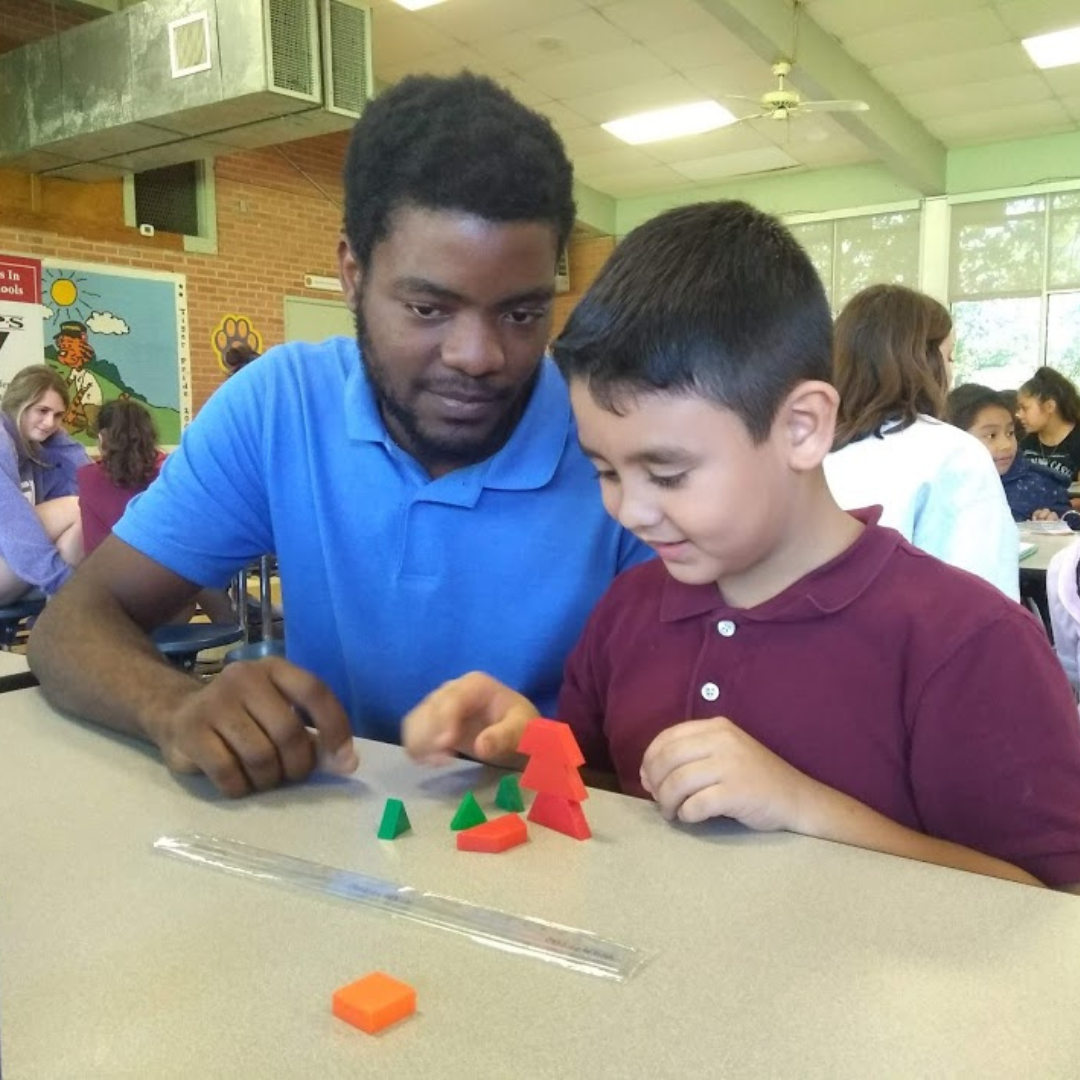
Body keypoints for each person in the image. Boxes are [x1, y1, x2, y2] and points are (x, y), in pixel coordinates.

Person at [403, 201, 1080, 890]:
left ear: (802, 427)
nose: (630, 510)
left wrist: (803, 806)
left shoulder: (964, 641)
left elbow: (1051, 906)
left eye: (668, 473)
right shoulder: (630, 609)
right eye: (604, 470)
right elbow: (606, 802)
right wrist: (526, 749)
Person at [27, 72, 650, 797]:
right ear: (352, 273)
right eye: (427, 308)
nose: (478, 356)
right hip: (340, 850)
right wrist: (177, 708)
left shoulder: (621, 445)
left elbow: (675, 756)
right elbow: (69, 628)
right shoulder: (279, 407)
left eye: (521, 313)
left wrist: (545, 753)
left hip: (556, 846)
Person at [823, 284, 1018, 599]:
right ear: (922, 362)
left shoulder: (802, 448)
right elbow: (987, 596)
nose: (952, 373)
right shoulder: (955, 452)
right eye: (949, 356)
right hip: (911, 641)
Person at [77, 398, 236, 621]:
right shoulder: (169, 472)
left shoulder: (87, 478)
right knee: (192, 564)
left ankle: (237, 626)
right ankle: (237, 631)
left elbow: (92, 548)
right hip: (168, 599)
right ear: (149, 437)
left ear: (102, 438)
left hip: (112, 605)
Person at [0, 365, 89, 605]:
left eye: (58, 416)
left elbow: (87, 487)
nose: (50, 422)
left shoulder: (35, 451)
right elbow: (12, 523)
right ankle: (64, 607)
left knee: (85, 511)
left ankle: (53, 623)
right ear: (18, 404)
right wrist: (64, 582)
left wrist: (59, 441)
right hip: (10, 559)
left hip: (10, 567)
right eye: (42, 410)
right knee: (75, 508)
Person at [946, 383, 1074, 524]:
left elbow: (1071, 521)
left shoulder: (1039, 486)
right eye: (991, 435)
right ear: (956, 437)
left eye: (1010, 433)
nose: (1006, 444)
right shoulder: (939, 487)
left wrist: (1056, 523)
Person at [1015, 367, 1080, 487]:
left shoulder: (1077, 442)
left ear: (1050, 406)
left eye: (1024, 408)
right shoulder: (1026, 444)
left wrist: (1055, 504)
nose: (1019, 415)